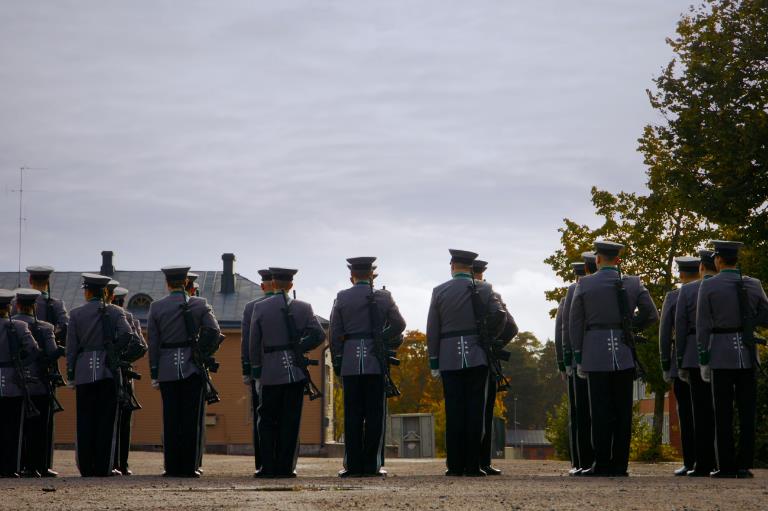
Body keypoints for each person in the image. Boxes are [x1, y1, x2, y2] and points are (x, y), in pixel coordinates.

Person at [569, 240, 658, 477]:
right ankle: (621, 464)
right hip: (623, 352)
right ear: (618, 259)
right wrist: (630, 327)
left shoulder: (585, 283)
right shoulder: (633, 282)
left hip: (595, 352)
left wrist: (578, 355)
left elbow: (575, 323)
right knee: (622, 412)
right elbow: (652, 314)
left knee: (599, 412)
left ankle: (602, 463)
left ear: (597, 259)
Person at [427, 249, 506, 477]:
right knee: (475, 413)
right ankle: (473, 465)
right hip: (477, 356)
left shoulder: (439, 291)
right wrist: (488, 339)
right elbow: (500, 315)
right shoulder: (484, 288)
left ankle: (454, 465)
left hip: (449, 356)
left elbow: (433, 329)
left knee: (454, 413)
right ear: (471, 267)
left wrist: (434, 361)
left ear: (452, 265)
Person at [697, 241, 768, 478]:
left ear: (718, 260)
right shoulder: (753, 284)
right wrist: (751, 322)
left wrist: (703, 356)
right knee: (747, 412)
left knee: (723, 414)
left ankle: (725, 464)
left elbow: (703, 324)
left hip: (720, 353)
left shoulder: (709, 286)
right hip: (747, 354)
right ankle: (744, 463)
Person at [330, 257, 406, 478]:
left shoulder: (342, 297)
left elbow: (335, 333)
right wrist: (380, 338)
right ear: (372, 276)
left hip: (351, 361)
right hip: (375, 360)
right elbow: (399, 324)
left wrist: (338, 361)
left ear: (351, 276)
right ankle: (372, 465)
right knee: (375, 415)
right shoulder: (384, 296)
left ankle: (352, 466)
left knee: (352, 415)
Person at [249, 268, 326, 478]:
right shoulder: (304, 307)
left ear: (272, 283)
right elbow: (319, 335)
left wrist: (256, 372)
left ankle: (267, 467)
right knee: (290, 421)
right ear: (291, 285)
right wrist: (300, 346)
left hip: (270, 372)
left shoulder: (260, 308)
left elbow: (254, 343)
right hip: (295, 372)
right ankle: (287, 467)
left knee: (266, 420)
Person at [148, 266, 221, 478]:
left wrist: (154, 372)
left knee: (171, 419)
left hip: (167, 369)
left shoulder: (157, 307)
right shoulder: (200, 304)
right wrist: (202, 352)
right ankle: (190, 467)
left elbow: (153, 343)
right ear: (186, 283)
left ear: (168, 283)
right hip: (193, 367)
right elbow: (215, 331)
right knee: (192, 419)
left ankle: (171, 467)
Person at [66, 273, 134, 477]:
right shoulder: (115, 312)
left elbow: (71, 347)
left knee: (85, 420)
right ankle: (104, 466)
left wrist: (70, 373)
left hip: (84, 371)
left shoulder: (76, 314)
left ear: (87, 291)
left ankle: (86, 467)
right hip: (108, 370)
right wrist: (113, 350)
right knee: (106, 420)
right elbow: (128, 334)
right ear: (105, 291)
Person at [675, 249, 718, 477]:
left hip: (693, 355)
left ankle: (702, 463)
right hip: (725, 352)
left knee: (699, 413)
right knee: (721, 411)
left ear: (701, 267)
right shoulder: (732, 286)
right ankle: (723, 461)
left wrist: (678, 360)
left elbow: (680, 329)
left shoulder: (688, 291)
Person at [472, 259, 517, 476]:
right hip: (487, 359)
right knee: (485, 412)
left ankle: (465, 460)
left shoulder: (462, 293)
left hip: (467, 355)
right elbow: (511, 327)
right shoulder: (493, 295)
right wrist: (495, 343)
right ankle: (483, 461)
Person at [13, 288, 62, 478]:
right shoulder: (46, 327)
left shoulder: (11, 324)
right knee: (41, 427)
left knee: (16, 426)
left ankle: (18, 463)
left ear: (17, 305)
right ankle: (39, 465)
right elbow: (51, 353)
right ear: (34, 306)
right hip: (40, 383)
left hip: (14, 382)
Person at [659, 256, 700, 476]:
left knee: (685, 412)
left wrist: (666, 362)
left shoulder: (674, 297)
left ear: (681, 274)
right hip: (711, 357)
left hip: (682, 359)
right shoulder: (705, 291)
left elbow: (665, 333)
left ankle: (690, 460)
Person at [0, 289, 40, 478]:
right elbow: (33, 349)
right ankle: (10, 467)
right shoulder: (19, 325)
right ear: (9, 307)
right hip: (13, 380)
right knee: (14, 427)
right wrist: (20, 363)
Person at [241, 269, 275, 475]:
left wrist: (247, 370)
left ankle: (262, 463)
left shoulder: (251, 307)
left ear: (262, 286)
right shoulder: (292, 306)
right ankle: (286, 462)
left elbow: (247, 342)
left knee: (261, 418)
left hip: (260, 370)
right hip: (287, 368)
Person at [110, 285, 147, 476]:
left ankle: (109, 462)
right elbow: (141, 346)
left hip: (104, 372)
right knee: (124, 421)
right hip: (124, 373)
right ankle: (122, 463)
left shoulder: (104, 317)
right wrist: (125, 360)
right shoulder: (130, 319)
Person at [558, 261, 588, 476]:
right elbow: (563, 331)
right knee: (581, 413)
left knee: (579, 415)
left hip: (580, 359)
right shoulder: (570, 296)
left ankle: (581, 459)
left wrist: (564, 362)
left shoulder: (571, 296)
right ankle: (580, 459)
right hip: (583, 360)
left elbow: (563, 332)